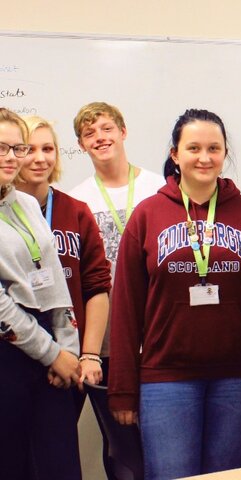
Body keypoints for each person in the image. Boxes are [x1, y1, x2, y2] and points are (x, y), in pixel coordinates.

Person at [108, 109, 241, 479]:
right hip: (167, 376)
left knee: (227, 475)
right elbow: (126, 310)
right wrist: (122, 389)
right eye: (193, 148)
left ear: (225, 154)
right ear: (175, 154)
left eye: (214, 148)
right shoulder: (147, 216)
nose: (204, 157)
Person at [69, 101, 164, 477]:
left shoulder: (159, 187)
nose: (100, 138)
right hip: (108, 344)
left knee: (159, 440)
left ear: (123, 132)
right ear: (81, 144)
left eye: (107, 128)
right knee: (121, 446)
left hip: (159, 337)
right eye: (90, 133)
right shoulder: (77, 200)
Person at [0, 108, 82, 479]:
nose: (11, 157)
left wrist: (69, 349)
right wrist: (52, 354)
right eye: (1, 148)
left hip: (51, 352)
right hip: (9, 355)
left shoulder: (27, 203)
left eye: (17, 147)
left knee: (59, 466)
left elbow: (53, 282)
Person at [15, 116, 111, 416]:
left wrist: (89, 355)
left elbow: (96, 287)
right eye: (29, 149)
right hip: (16, 355)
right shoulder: (6, 214)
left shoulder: (76, 212)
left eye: (48, 148)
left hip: (70, 363)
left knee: (58, 453)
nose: (40, 158)